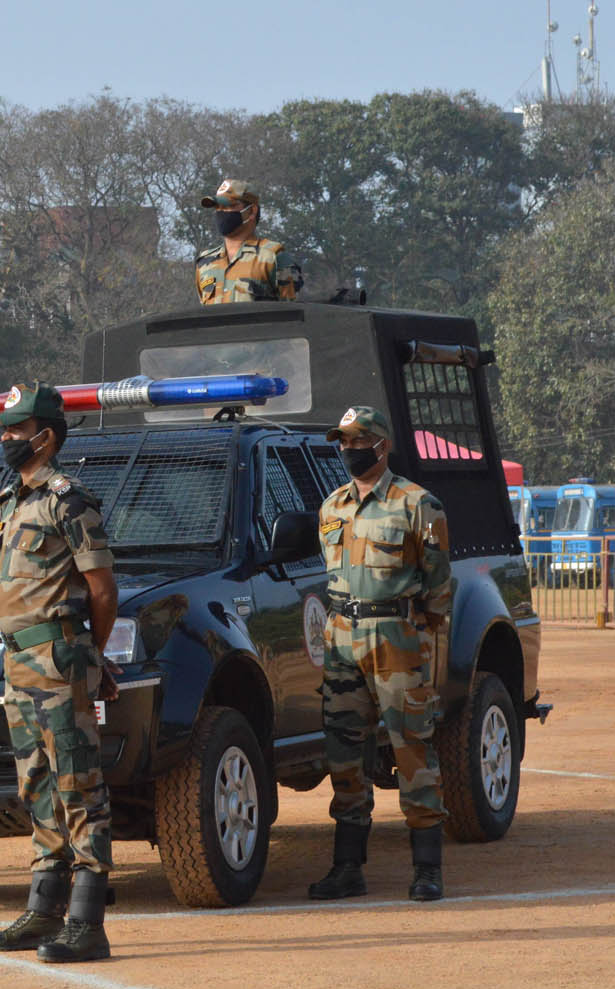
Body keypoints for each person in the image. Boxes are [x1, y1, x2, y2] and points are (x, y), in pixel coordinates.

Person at [0, 382, 119, 964]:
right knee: (36, 784)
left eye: (17, 429)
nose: (7, 438)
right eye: (5, 430)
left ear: (47, 437)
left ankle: (87, 923)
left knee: (77, 784)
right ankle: (43, 910)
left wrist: (90, 656)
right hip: (19, 663)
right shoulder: (13, 502)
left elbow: (102, 589)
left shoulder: (69, 501)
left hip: (59, 661)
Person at [309, 405, 453, 903]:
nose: (350, 450)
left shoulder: (417, 503)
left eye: (359, 441)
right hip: (341, 638)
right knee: (343, 753)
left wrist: (421, 637)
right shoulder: (331, 507)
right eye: (344, 442)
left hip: (396, 637)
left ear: (382, 446)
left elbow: (438, 584)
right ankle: (347, 869)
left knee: (411, 747)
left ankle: (427, 870)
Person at [195, 178, 303, 304]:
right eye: (218, 207)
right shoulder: (204, 262)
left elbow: (292, 310)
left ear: (252, 211)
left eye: (229, 206)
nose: (221, 211)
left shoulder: (273, 256)